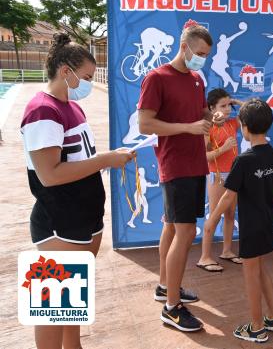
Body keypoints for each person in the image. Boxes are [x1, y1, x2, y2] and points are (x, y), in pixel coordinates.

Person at [20, 33, 134, 349]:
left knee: (71, 298)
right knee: (53, 306)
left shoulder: (70, 106)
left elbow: (79, 159)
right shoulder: (42, 110)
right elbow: (49, 175)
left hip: (81, 219)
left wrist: (110, 157)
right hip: (58, 222)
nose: (86, 83)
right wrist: (105, 160)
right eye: (84, 77)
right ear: (65, 70)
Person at [138, 19, 223, 332]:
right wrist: (186, 128)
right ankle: (172, 307)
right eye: (199, 52)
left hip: (195, 162)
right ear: (184, 46)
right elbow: (145, 124)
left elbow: (198, 113)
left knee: (173, 228)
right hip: (175, 164)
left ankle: (165, 287)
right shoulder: (156, 78)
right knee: (185, 232)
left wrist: (208, 116)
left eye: (206, 55)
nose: (202, 58)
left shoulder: (197, 79)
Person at [208, 99, 273, 343]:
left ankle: (256, 327)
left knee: (251, 275)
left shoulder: (244, 160)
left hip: (252, 229)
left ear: (244, 128)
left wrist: (212, 220)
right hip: (269, 224)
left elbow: (229, 195)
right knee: (261, 269)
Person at [196, 88, 244, 272]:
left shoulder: (232, 123)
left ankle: (226, 251)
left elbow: (253, 108)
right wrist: (224, 149)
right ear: (211, 108)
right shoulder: (208, 128)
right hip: (217, 176)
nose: (227, 110)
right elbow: (204, 157)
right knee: (215, 216)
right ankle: (205, 257)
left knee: (231, 214)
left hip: (233, 175)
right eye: (222, 106)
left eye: (228, 106)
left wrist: (236, 102)